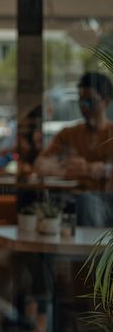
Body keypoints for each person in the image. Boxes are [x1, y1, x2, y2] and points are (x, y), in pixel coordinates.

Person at [36, 71, 113, 225]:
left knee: (86, 202)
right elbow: (40, 164)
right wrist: (65, 169)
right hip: (71, 199)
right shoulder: (68, 134)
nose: (84, 107)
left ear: (106, 102)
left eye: (90, 102)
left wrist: (100, 169)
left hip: (106, 202)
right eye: (81, 101)